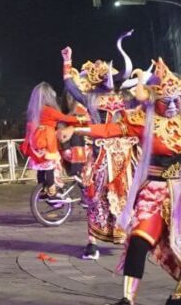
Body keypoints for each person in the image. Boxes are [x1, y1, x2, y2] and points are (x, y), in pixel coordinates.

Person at [63, 58, 181, 305]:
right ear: (153, 99)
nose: (171, 106)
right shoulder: (141, 122)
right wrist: (77, 131)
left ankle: (178, 296)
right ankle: (127, 298)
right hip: (155, 191)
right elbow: (108, 131)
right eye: (165, 101)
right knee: (138, 240)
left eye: (176, 101)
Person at [62, 35, 139, 261]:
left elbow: (69, 84)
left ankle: (104, 242)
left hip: (115, 154)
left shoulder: (113, 99)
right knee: (100, 197)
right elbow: (70, 86)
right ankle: (99, 242)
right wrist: (67, 60)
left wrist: (67, 61)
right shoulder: (102, 99)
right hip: (106, 154)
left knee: (106, 198)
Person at [21, 82, 87, 202]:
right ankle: (52, 191)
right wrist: (81, 118)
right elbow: (65, 118)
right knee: (50, 167)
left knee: (41, 169)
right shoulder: (49, 110)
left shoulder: (34, 111)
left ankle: (42, 190)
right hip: (47, 141)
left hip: (35, 143)